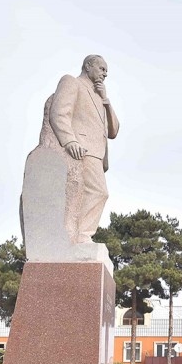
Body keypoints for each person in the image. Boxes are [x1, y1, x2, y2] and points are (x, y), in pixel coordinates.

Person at [48, 54, 120, 245]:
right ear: (88, 66)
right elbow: (59, 113)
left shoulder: (100, 97)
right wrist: (69, 141)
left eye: (106, 71)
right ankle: (81, 235)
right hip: (81, 149)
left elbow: (114, 131)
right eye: (102, 69)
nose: (105, 74)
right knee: (99, 192)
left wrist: (106, 100)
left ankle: (78, 234)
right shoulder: (72, 82)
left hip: (97, 154)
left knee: (93, 193)